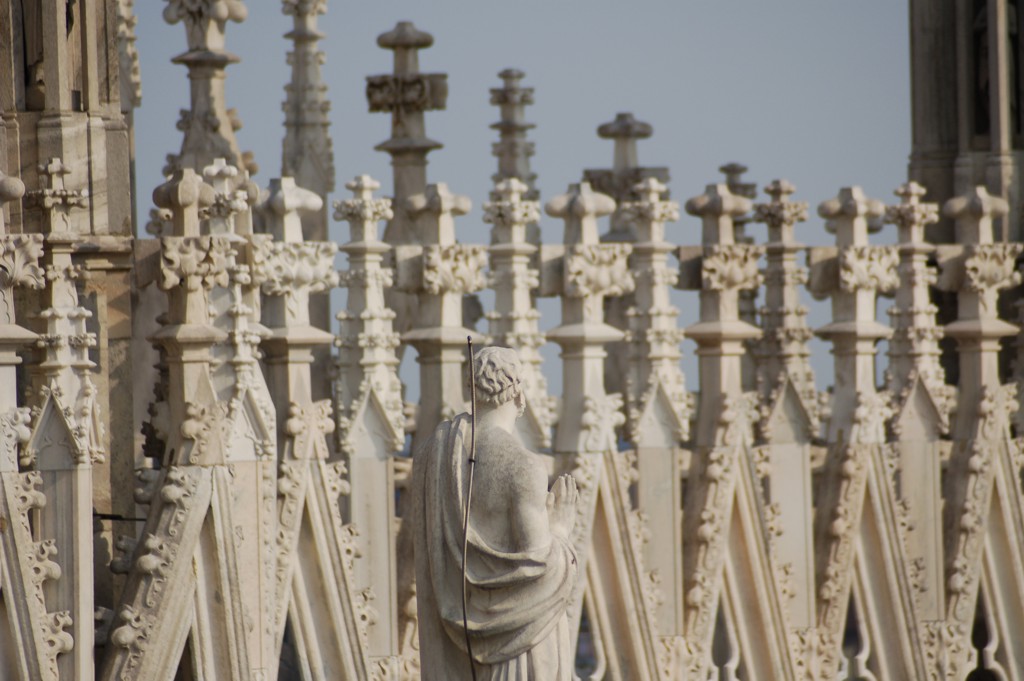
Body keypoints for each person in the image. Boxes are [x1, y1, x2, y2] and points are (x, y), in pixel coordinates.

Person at [412, 346, 579, 680]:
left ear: (469, 391)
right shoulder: (524, 466)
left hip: (453, 650)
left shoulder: (433, 454)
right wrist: (560, 530)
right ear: (519, 394)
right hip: (520, 645)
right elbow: (535, 567)